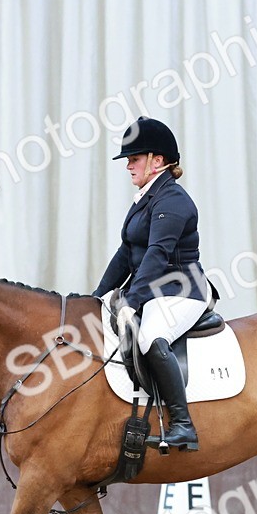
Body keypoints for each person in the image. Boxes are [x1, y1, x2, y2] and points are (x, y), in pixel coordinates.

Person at [92, 116, 211, 452]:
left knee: (151, 338)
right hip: (153, 292)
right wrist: (96, 297)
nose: (128, 166)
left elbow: (157, 254)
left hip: (182, 291)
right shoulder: (145, 199)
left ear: (157, 161)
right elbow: (125, 254)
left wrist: (131, 300)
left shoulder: (172, 200)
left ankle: (183, 425)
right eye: (128, 160)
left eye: (134, 159)